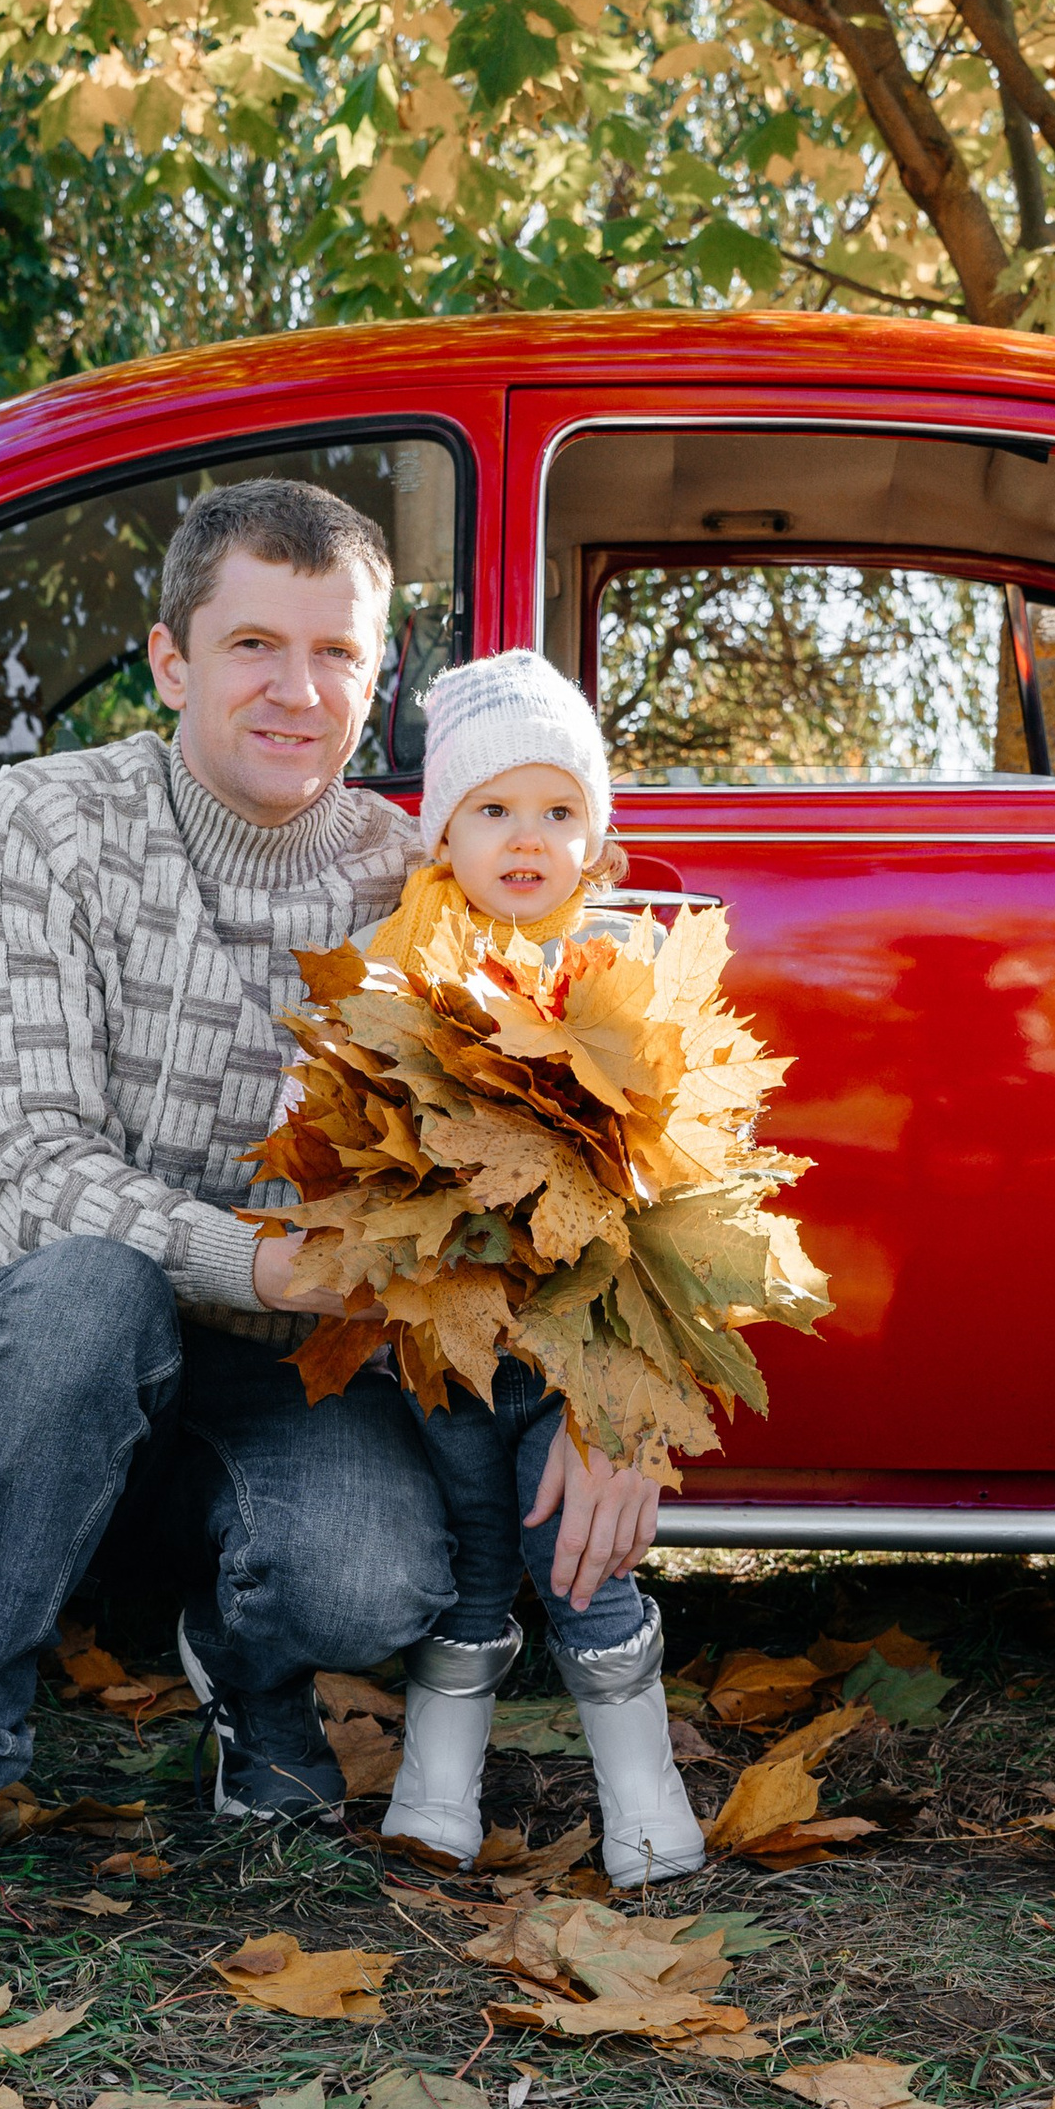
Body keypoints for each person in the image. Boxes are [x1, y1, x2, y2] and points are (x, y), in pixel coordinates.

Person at [0, 477, 458, 1871]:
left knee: (380, 1580)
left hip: (286, 1363)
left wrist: (607, 1422)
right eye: (254, 645)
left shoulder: (410, 879)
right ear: (170, 661)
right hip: (62, 1340)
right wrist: (256, 1255)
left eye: (337, 653)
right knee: (90, 1293)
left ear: (376, 674)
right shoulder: (51, 823)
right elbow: (35, 1166)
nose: (298, 690)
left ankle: (247, 1657)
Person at [370, 652, 704, 1887]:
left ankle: (645, 1794)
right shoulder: (399, 970)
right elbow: (347, 1144)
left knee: (580, 1560)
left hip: (578, 1350)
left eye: (559, 812)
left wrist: (624, 1386)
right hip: (447, 1345)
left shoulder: (626, 974)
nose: (528, 839)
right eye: (493, 811)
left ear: (597, 840)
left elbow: (681, 1187)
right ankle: (435, 1788)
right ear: (442, 834)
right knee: (469, 1553)